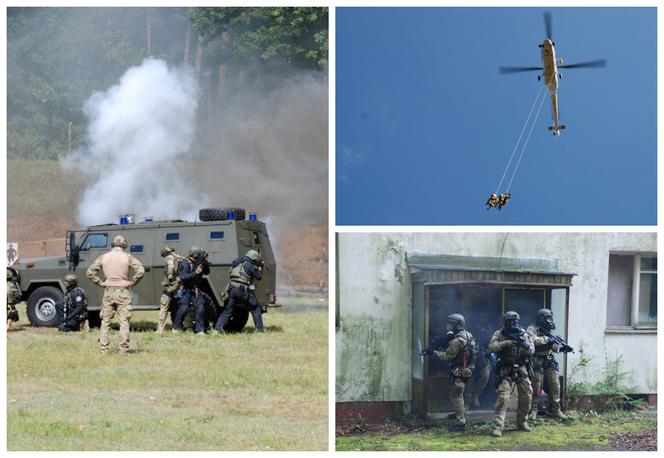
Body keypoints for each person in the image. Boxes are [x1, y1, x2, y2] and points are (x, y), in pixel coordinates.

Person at [86, 234, 145, 355]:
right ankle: (123, 350)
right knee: (124, 322)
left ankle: (103, 350)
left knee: (105, 322)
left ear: (113, 244)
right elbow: (141, 270)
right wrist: (132, 283)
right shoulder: (128, 257)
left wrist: (100, 283)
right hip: (123, 291)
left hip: (108, 291)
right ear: (124, 244)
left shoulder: (104, 257)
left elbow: (90, 272)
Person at [488, 311, 534, 437]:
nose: (511, 323)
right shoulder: (499, 333)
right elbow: (491, 346)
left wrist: (522, 345)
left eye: (513, 321)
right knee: (503, 397)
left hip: (520, 367)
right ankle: (498, 427)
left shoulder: (523, 334)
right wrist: (505, 343)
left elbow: (531, 350)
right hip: (505, 367)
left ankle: (522, 422)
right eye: (509, 321)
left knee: (527, 395)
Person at [433, 313, 477, 429]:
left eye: (450, 324)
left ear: (457, 326)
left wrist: (434, 352)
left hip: (460, 370)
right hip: (468, 369)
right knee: (459, 393)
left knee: (455, 395)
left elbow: (447, 356)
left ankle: (460, 422)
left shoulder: (457, 340)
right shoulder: (468, 335)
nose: (448, 326)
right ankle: (459, 413)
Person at [527, 308, 570, 420]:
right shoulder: (532, 328)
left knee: (555, 385)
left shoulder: (550, 329)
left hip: (549, 360)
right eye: (545, 317)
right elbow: (532, 341)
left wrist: (561, 348)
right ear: (540, 318)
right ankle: (534, 411)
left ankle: (556, 410)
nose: (548, 320)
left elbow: (553, 345)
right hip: (537, 360)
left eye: (549, 317)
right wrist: (546, 339)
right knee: (536, 386)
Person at [214, 249, 265, 333]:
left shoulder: (237, 263)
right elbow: (259, 277)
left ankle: (217, 330)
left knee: (227, 311)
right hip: (243, 290)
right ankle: (259, 330)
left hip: (232, 289)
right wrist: (260, 268)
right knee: (255, 308)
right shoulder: (250, 265)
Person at [172, 246, 209, 334]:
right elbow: (184, 277)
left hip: (195, 289)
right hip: (186, 289)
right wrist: (195, 273)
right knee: (184, 308)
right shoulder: (185, 263)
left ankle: (200, 329)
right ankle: (176, 327)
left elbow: (207, 272)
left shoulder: (198, 262)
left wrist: (205, 263)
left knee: (200, 307)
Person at [156, 246, 184, 334]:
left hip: (172, 285)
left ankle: (160, 329)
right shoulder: (179, 257)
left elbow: (171, 266)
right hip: (179, 284)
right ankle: (176, 327)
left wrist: (170, 277)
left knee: (164, 305)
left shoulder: (169, 258)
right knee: (177, 306)